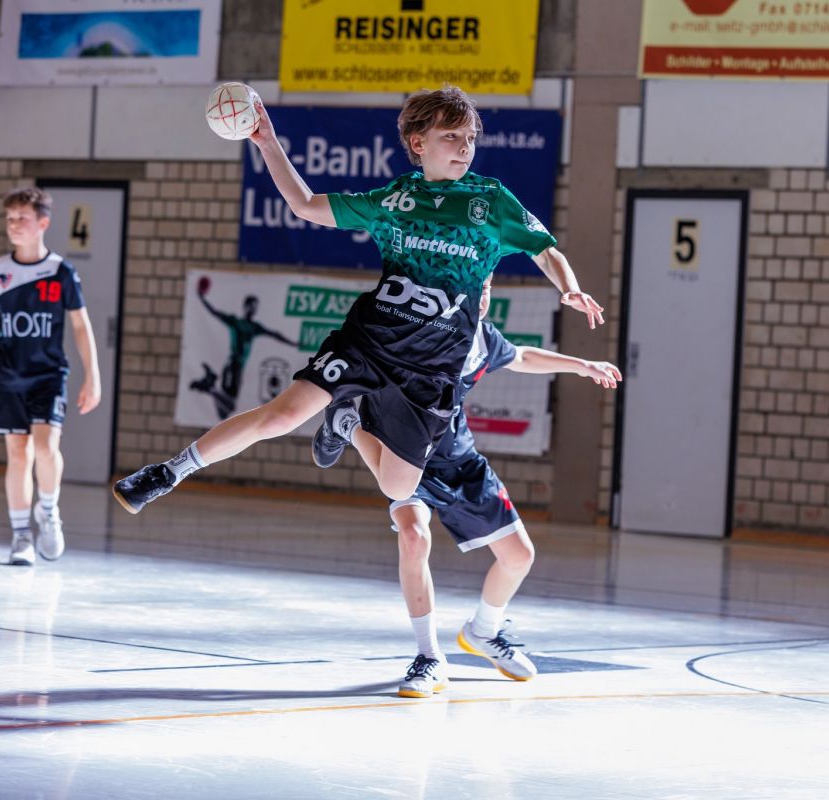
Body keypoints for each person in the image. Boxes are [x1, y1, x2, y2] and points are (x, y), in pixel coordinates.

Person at [113, 85, 603, 513]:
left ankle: (347, 422)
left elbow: (545, 250)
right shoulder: (394, 201)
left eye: (471, 137)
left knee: (398, 486)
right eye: (452, 136)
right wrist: (267, 143)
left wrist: (570, 287)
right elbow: (305, 204)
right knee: (283, 415)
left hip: (434, 367)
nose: (465, 147)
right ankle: (168, 472)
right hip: (371, 341)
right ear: (419, 143)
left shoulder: (491, 202)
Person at [313, 278, 621, 698]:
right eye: (475, 287)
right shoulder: (410, 330)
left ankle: (483, 631)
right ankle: (428, 656)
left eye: (487, 288)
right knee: (413, 537)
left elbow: (522, 356)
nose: (482, 296)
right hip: (407, 453)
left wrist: (582, 365)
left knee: (519, 556)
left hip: (460, 461)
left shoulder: (481, 337)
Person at [0, 187, 102, 565]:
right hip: (8, 375)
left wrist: (93, 376)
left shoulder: (61, 271)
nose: (14, 225)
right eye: (9, 218)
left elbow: (81, 326)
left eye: (22, 218)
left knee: (45, 447)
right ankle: (21, 536)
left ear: (42, 223)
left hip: (48, 375)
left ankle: (49, 511)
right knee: (18, 454)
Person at [189, 280, 296, 420]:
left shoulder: (254, 327)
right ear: (245, 306)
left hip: (237, 367)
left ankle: (210, 384)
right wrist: (202, 298)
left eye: (255, 307)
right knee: (229, 407)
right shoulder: (235, 322)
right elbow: (214, 312)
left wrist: (293, 343)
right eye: (251, 306)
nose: (253, 309)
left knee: (223, 413)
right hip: (234, 365)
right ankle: (210, 387)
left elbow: (275, 334)